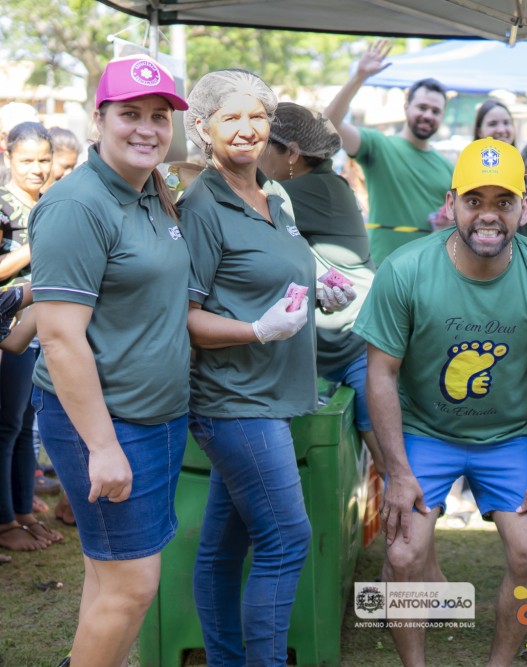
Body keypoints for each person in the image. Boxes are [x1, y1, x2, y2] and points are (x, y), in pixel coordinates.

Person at [354, 137, 527, 666]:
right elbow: (380, 373)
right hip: (425, 433)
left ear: (523, 207)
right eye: (474, 200)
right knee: (403, 553)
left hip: (506, 437)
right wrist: (397, 470)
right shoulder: (407, 268)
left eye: (503, 202)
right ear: (451, 203)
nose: (488, 215)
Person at [180, 69, 354, 667]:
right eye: (230, 117)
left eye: (257, 116)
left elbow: (277, 269)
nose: (247, 129)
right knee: (286, 539)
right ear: (202, 127)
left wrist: (318, 287)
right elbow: (185, 318)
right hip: (236, 403)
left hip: (273, 396)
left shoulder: (275, 194)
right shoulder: (202, 205)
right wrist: (256, 330)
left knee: (222, 551)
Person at [28, 55, 191, 667]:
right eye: (130, 114)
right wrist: (101, 446)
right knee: (133, 586)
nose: (147, 128)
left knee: (109, 578)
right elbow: (61, 338)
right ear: (99, 119)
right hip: (106, 423)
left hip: (154, 417)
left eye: (159, 116)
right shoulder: (77, 205)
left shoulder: (150, 191)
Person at [259, 100, 384, 472]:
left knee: (386, 454)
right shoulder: (311, 184)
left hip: (356, 341)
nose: (256, 153)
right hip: (330, 341)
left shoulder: (313, 189)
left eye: (264, 145)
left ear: (292, 153)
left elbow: (237, 196)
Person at [324, 39, 453, 265]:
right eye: (422, 107)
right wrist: (359, 77)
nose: (428, 115)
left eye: (435, 111)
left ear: (442, 116)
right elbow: (329, 124)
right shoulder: (378, 146)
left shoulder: (449, 167)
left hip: (432, 269)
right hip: (384, 268)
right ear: (406, 107)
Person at [0, 121, 60, 554]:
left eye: (44, 160)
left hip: (45, 327)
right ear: (8, 158)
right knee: (6, 426)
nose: (37, 169)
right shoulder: (3, 207)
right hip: (10, 329)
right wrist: (39, 246)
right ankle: (4, 523)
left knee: (25, 425)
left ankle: (22, 512)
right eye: (27, 160)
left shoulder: (51, 202)